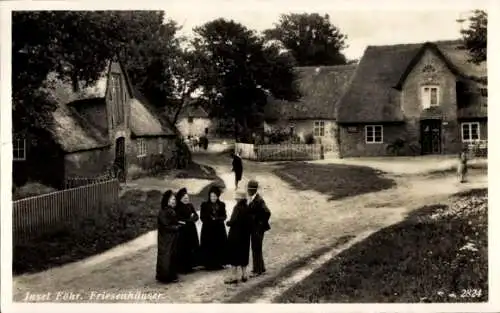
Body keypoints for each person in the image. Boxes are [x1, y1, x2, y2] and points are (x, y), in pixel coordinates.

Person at [225, 191, 252, 284]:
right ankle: (244, 275)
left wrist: (227, 223)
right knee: (244, 254)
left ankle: (234, 277)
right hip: (245, 236)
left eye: (236, 197)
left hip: (236, 235)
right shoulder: (248, 207)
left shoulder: (237, 208)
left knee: (234, 255)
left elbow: (233, 221)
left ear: (239, 198)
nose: (235, 198)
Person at [200, 185, 228, 270]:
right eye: (211, 196)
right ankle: (208, 264)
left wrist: (217, 219)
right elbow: (202, 217)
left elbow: (224, 216)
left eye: (215, 196)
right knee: (208, 246)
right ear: (209, 196)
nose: (213, 198)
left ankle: (218, 263)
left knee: (218, 245)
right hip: (208, 230)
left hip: (219, 229)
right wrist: (210, 220)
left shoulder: (222, 205)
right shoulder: (204, 205)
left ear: (218, 196)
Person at [156, 190, 181, 283]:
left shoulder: (171, 210)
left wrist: (177, 225)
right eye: (171, 200)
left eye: (174, 199)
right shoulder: (163, 211)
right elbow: (166, 226)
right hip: (166, 238)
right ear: (166, 200)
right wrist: (177, 227)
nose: (173, 201)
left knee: (172, 255)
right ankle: (165, 276)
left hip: (171, 237)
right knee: (166, 255)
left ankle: (171, 275)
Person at [247, 180, 271, 277]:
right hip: (254, 228)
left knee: (256, 248)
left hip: (258, 229)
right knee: (255, 247)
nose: (248, 191)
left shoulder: (259, 200)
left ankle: (257, 270)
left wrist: (260, 224)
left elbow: (267, 212)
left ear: (254, 190)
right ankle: (260, 267)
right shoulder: (253, 198)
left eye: (249, 189)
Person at [175, 188, 200, 273]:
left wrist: (192, 219)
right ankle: (183, 268)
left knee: (191, 247)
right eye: (185, 198)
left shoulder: (190, 205)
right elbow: (178, 219)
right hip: (183, 231)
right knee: (183, 248)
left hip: (191, 230)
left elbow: (196, 216)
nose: (186, 200)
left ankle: (190, 266)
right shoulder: (178, 207)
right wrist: (189, 220)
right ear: (180, 199)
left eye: (187, 198)